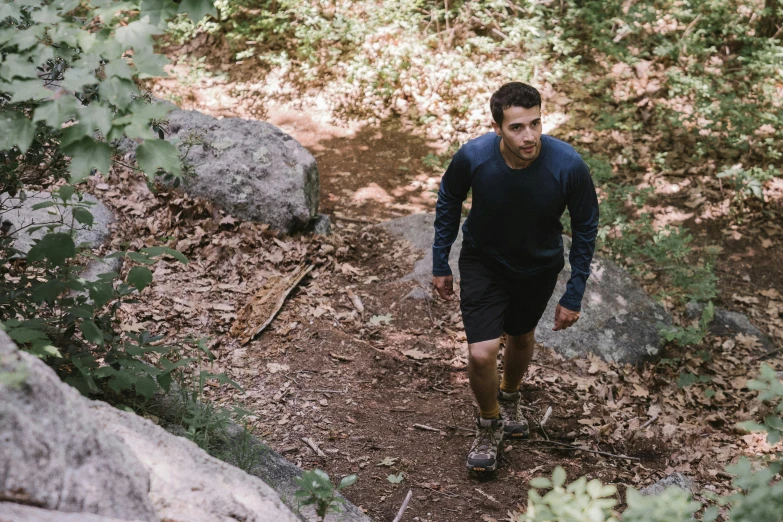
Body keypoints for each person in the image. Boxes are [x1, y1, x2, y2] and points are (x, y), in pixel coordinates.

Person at [431, 82, 599, 474]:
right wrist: (441, 262)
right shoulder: (474, 157)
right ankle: (489, 422)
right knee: (481, 351)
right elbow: (448, 199)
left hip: (537, 266)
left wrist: (574, 294)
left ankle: (509, 396)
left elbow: (586, 226)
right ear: (497, 128)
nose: (530, 136)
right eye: (517, 127)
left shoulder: (567, 164)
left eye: (536, 124)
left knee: (522, 336)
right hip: (483, 261)